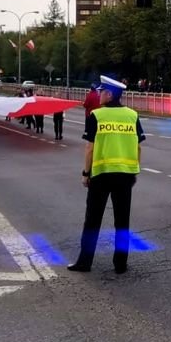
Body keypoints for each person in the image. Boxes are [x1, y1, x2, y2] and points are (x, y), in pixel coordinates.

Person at [68, 75, 145, 274]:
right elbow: (138, 147)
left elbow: (89, 148)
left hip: (101, 174)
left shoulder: (96, 115)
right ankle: (120, 264)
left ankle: (84, 263)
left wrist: (86, 173)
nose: (98, 94)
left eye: (101, 91)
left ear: (109, 94)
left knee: (93, 220)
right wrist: (134, 170)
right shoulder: (132, 115)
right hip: (125, 175)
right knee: (122, 220)